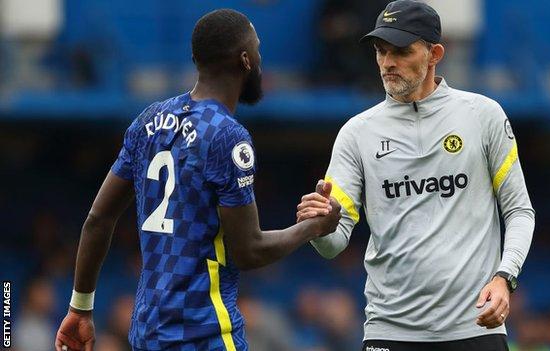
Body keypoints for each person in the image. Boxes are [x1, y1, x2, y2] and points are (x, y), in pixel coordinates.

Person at [54, 9, 341, 351]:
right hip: (205, 334)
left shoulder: (149, 120)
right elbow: (249, 251)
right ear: (246, 60)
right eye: (259, 51)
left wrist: (80, 309)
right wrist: (315, 226)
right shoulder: (227, 136)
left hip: (148, 335)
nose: (261, 61)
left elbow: (97, 219)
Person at [296, 1, 535, 350]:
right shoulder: (356, 133)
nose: (388, 63)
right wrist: (319, 225)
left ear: (435, 53)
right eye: (381, 51)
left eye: (402, 52)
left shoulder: (483, 115)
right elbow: (333, 245)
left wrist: (504, 278)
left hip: (473, 329)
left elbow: (519, 211)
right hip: (390, 332)